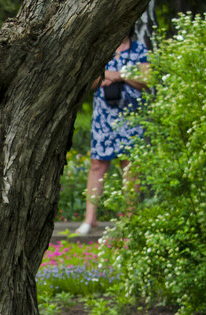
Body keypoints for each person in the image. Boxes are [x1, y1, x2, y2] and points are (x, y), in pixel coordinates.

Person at [76, 32, 150, 236]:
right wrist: (106, 75)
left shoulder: (139, 49)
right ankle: (90, 218)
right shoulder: (102, 49)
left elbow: (146, 79)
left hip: (131, 116)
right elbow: (87, 81)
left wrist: (119, 75)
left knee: (130, 165)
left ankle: (128, 218)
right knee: (97, 164)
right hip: (104, 117)